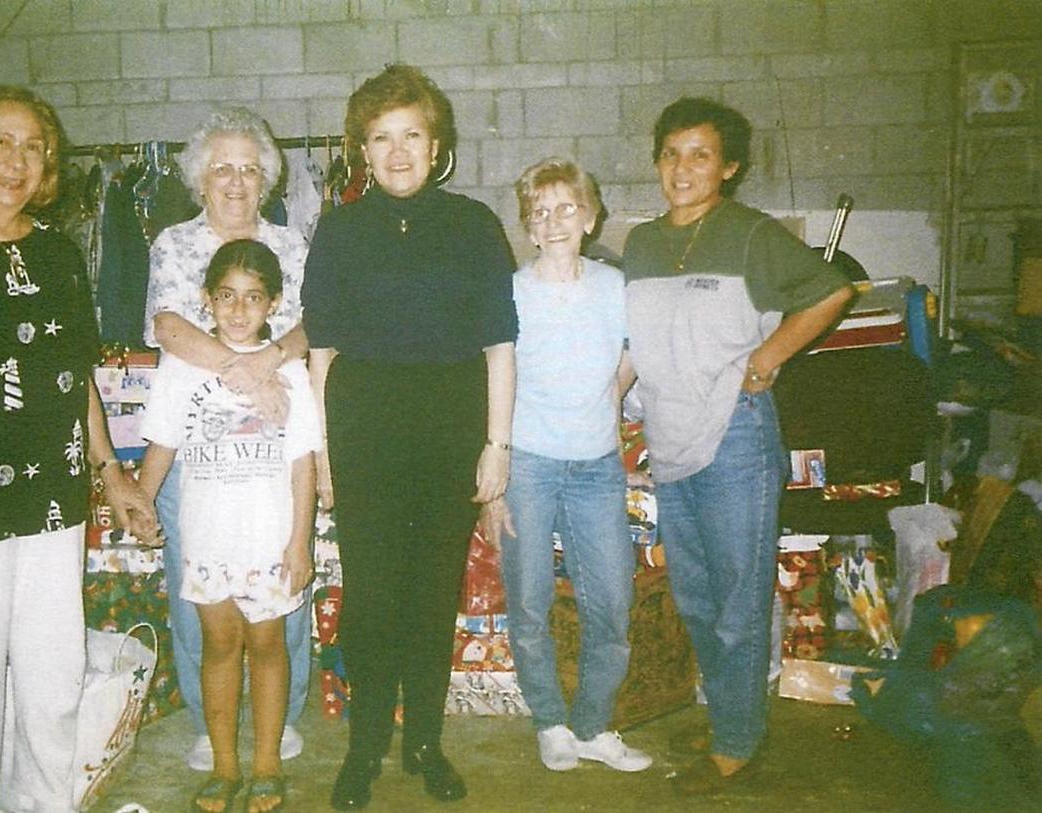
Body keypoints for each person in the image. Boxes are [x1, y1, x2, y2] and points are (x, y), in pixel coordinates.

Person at [0, 84, 153, 812]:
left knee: (53, 684)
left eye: (33, 146)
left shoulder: (59, 256)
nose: (17, 161)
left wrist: (113, 474)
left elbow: (78, 383)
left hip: (54, 507)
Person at [621, 96, 853, 794]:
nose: (682, 168)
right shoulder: (640, 244)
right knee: (695, 596)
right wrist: (608, 402)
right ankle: (728, 716)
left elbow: (833, 291)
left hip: (736, 437)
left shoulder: (752, 234)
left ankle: (738, 741)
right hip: (670, 435)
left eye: (699, 154)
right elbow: (636, 341)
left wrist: (767, 358)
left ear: (729, 166)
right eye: (671, 153)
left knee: (738, 602)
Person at [302, 64, 517, 810]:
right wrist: (326, 454)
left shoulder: (473, 226)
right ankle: (364, 750)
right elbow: (320, 352)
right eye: (381, 137)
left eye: (412, 135)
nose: (397, 152)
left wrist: (497, 444)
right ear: (364, 149)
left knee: (431, 594)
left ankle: (425, 742)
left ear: (436, 145)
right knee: (371, 596)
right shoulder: (337, 228)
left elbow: (499, 345)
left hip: (449, 432)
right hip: (364, 432)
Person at [142, 107, 312, 772]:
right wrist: (243, 372)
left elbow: (310, 324)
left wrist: (268, 363)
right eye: (222, 168)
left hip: (273, 441)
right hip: (197, 444)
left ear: (266, 177)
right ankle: (207, 726)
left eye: (249, 167)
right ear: (200, 179)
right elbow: (169, 327)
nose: (236, 181)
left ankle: (283, 717)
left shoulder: (292, 245)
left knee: (279, 595)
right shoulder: (174, 244)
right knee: (200, 596)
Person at [478, 157, 651, 775]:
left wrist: (613, 388)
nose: (553, 222)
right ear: (527, 224)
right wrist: (493, 483)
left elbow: (633, 347)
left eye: (566, 209)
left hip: (597, 468)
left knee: (611, 604)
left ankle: (592, 725)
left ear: (590, 216)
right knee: (529, 605)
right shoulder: (511, 292)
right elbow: (491, 378)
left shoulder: (614, 285)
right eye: (539, 212)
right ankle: (550, 722)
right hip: (528, 466)